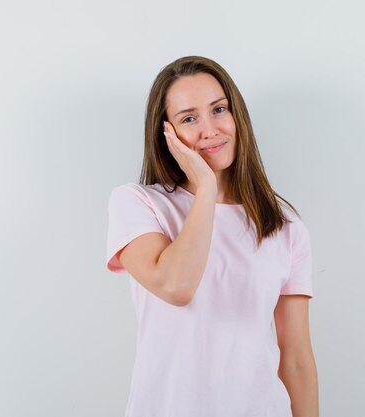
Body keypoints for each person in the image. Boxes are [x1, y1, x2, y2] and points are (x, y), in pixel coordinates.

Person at [106, 56, 319, 417]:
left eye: (219, 109)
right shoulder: (138, 204)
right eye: (189, 118)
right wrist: (205, 187)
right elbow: (176, 286)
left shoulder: (283, 225)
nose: (210, 129)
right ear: (166, 133)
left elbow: (296, 358)